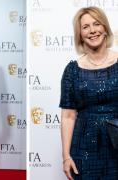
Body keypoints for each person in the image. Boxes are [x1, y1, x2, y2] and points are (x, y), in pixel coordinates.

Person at [59, 6, 118, 180]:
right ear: (80, 34)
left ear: (105, 28)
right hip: (84, 146)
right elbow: (68, 116)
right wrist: (66, 157)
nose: (92, 30)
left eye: (96, 24)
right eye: (85, 27)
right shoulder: (72, 71)